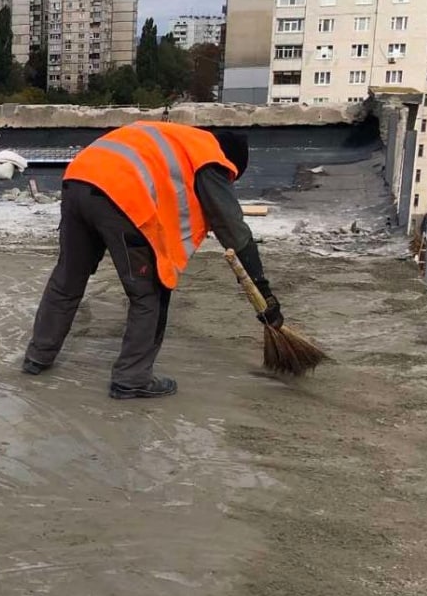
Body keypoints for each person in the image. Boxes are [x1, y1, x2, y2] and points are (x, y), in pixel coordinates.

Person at [22, 122, 283, 399]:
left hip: (78, 178)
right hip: (120, 192)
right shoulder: (211, 159)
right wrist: (263, 291)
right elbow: (234, 230)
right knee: (150, 292)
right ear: (230, 164)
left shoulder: (179, 140)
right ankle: (132, 378)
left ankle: (38, 356)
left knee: (68, 278)